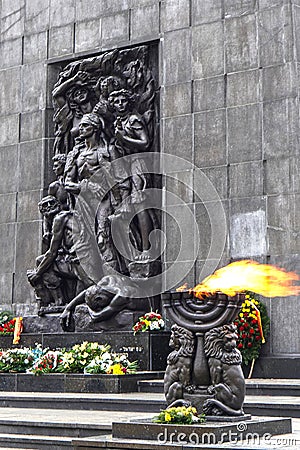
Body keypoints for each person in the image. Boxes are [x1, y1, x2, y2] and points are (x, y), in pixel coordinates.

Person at [27, 196, 94, 311]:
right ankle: (59, 302)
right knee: (41, 261)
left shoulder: (60, 218)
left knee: (42, 263)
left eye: (51, 203)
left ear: (58, 205)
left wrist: (37, 274)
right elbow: (64, 246)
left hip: (82, 261)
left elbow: (52, 253)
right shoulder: (66, 218)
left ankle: (60, 302)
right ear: (42, 211)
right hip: (78, 259)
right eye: (45, 205)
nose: (48, 206)